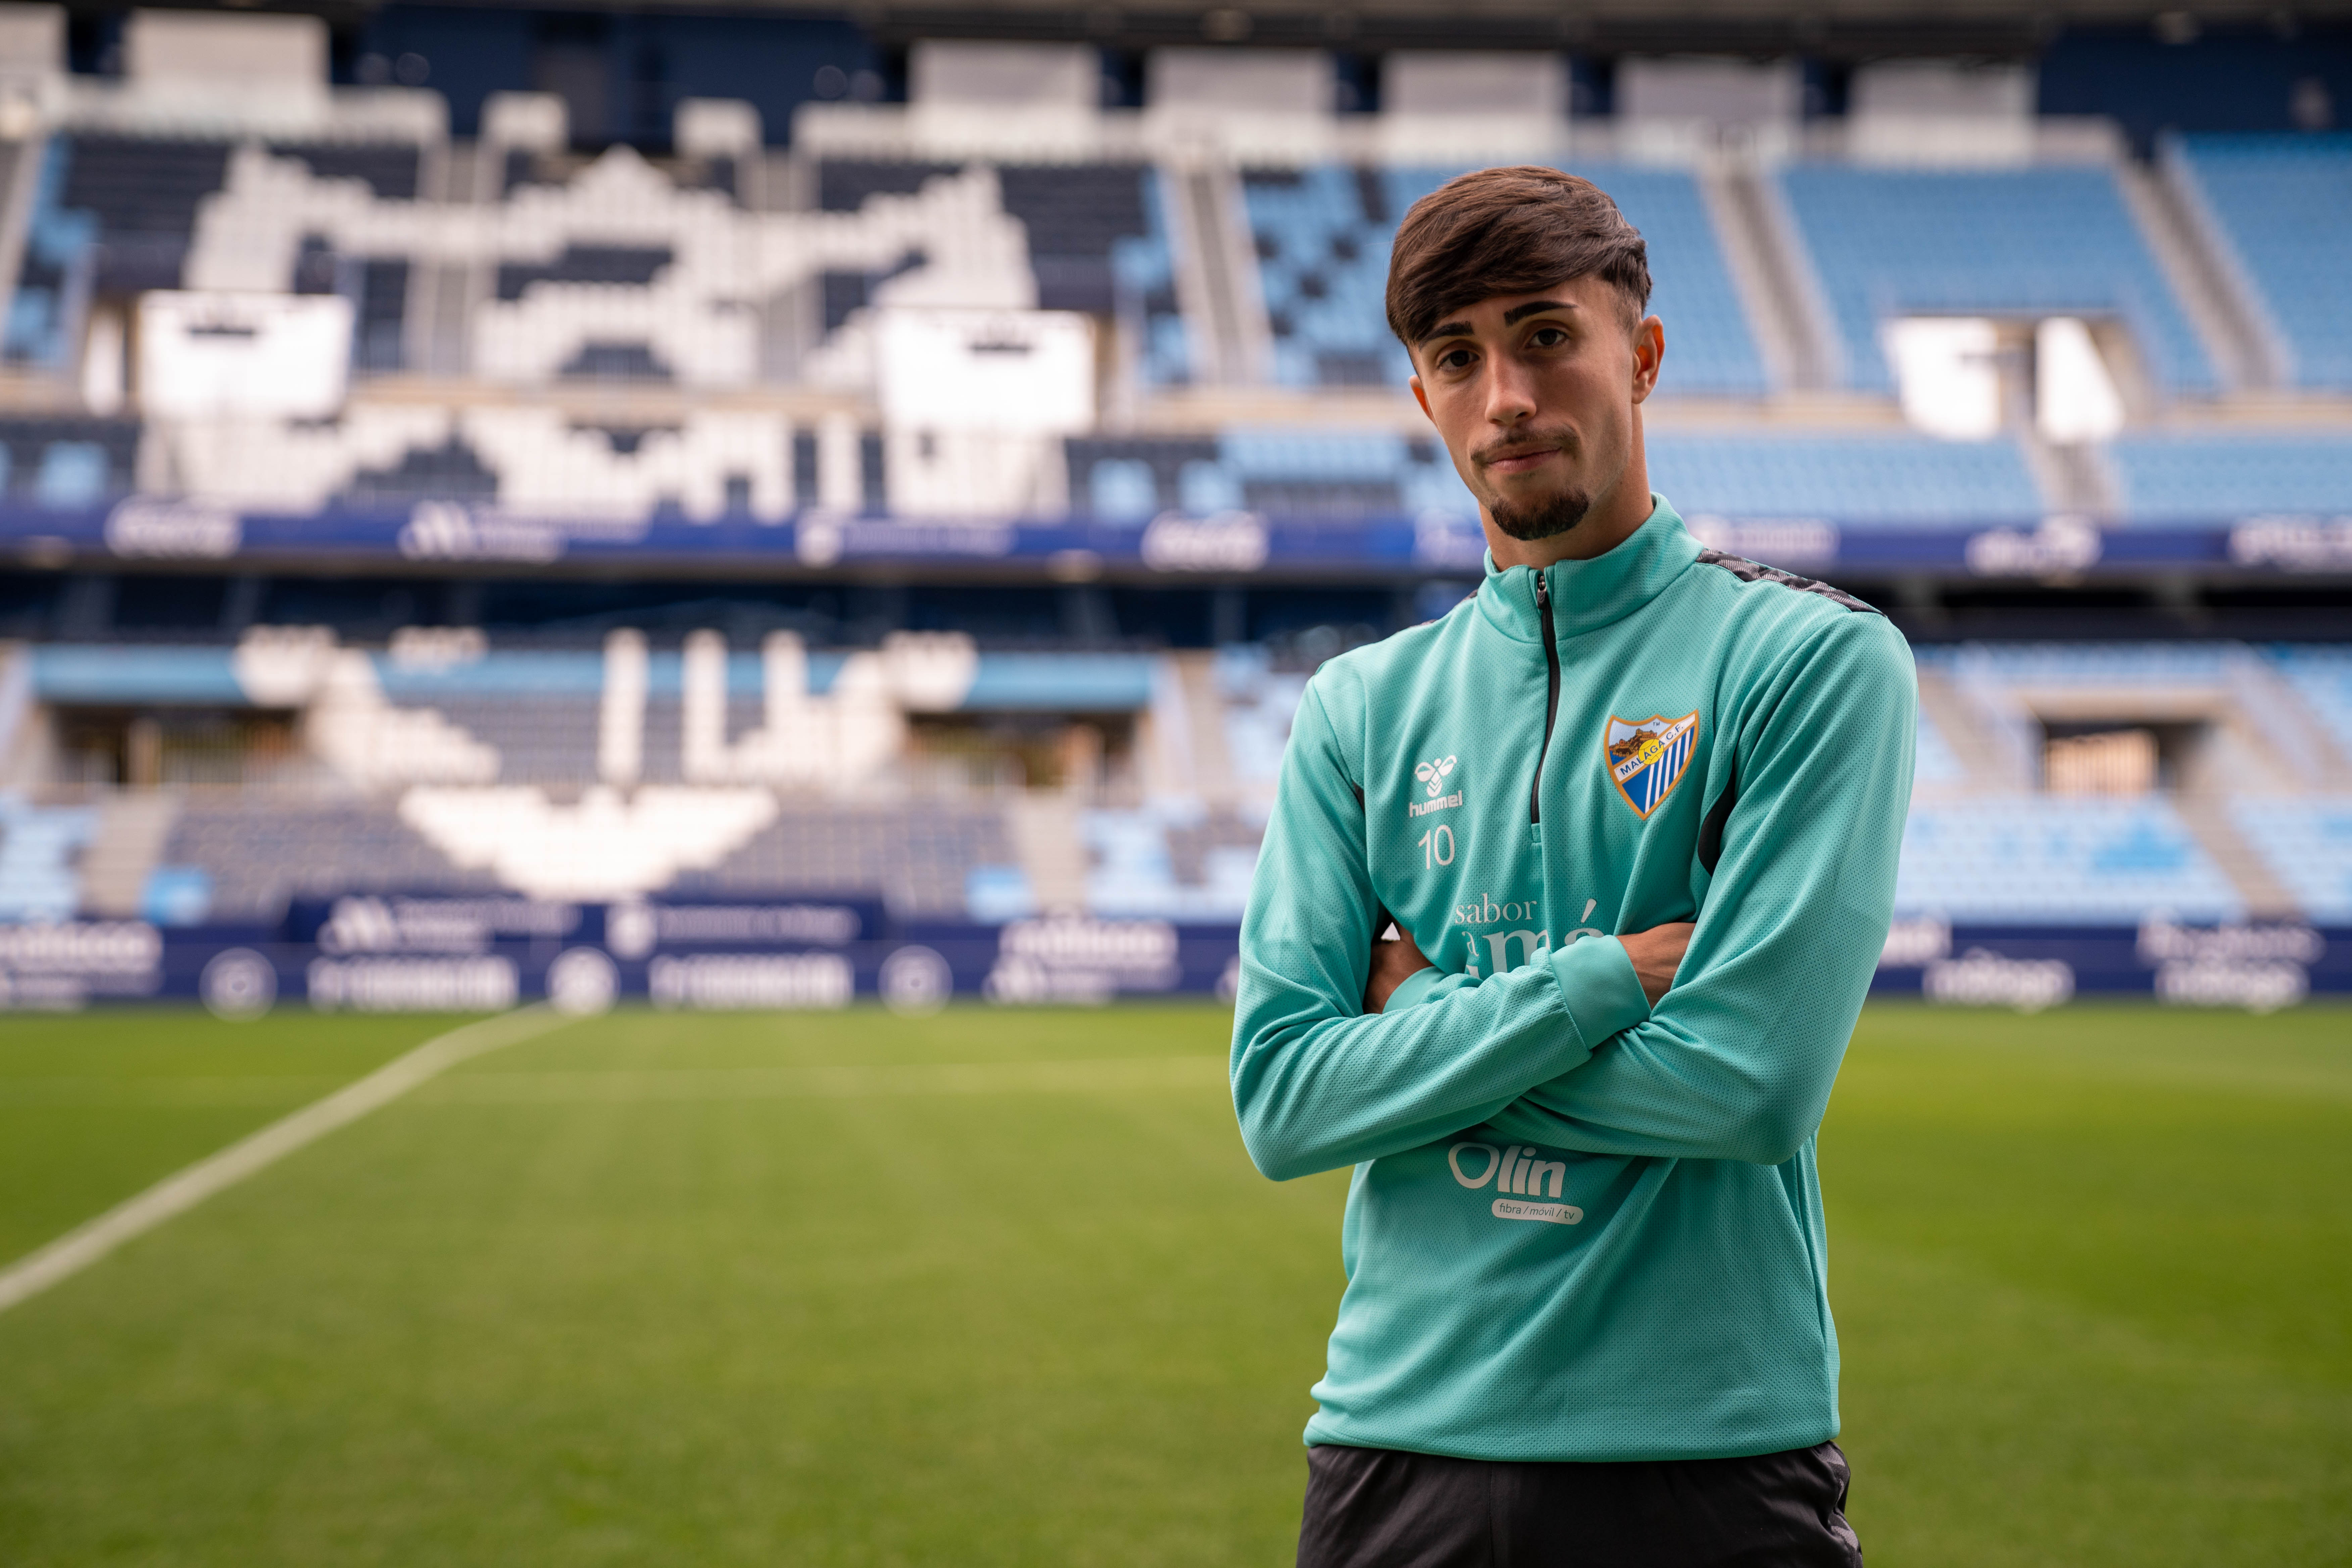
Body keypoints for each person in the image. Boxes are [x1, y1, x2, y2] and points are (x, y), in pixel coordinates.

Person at [1230, 165, 1916, 1567]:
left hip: (1709, 1455)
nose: (1507, 398)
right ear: (1423, 395)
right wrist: (1604, 979)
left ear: (1642, 354)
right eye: (1457, 357)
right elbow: (1286, 1100)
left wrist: (1414, 1018)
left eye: (1546, 335)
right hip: (1396, 1444)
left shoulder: (1809, 664)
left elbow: (1748, 1088)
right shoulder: (1359, 709)